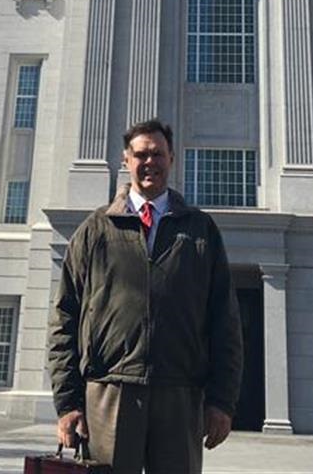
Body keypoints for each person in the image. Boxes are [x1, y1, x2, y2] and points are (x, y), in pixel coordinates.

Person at [48, 119, 243, 474]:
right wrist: (67, 403)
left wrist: (221, 401)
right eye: (141, 154)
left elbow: (224, 323)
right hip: (108, 395)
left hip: (180, 396)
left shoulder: (201, 230)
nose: (149, 161)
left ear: (172, 159)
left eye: (157, 153)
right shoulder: (95, 230)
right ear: (126, 160)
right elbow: (64, 320)